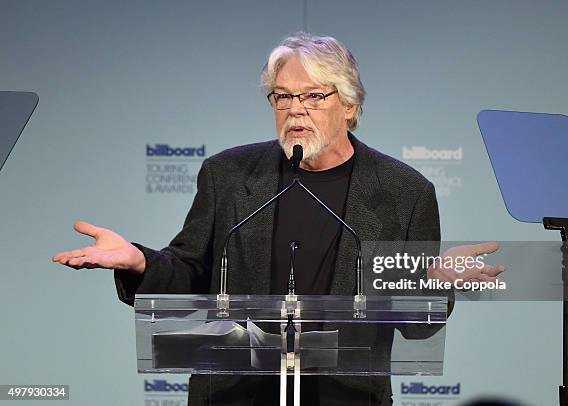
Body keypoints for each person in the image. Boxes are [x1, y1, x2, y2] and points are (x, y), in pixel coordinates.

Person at [53, 33, 504, 406]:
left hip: (344, 397)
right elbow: (192, 272)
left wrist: (436, 285)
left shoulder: (404, 192)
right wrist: (141, 263)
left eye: (312, 96)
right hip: (233, 394)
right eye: (282, 96)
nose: (295, 109)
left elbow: (413, 323)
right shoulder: (229, 176)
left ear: (349, 105)